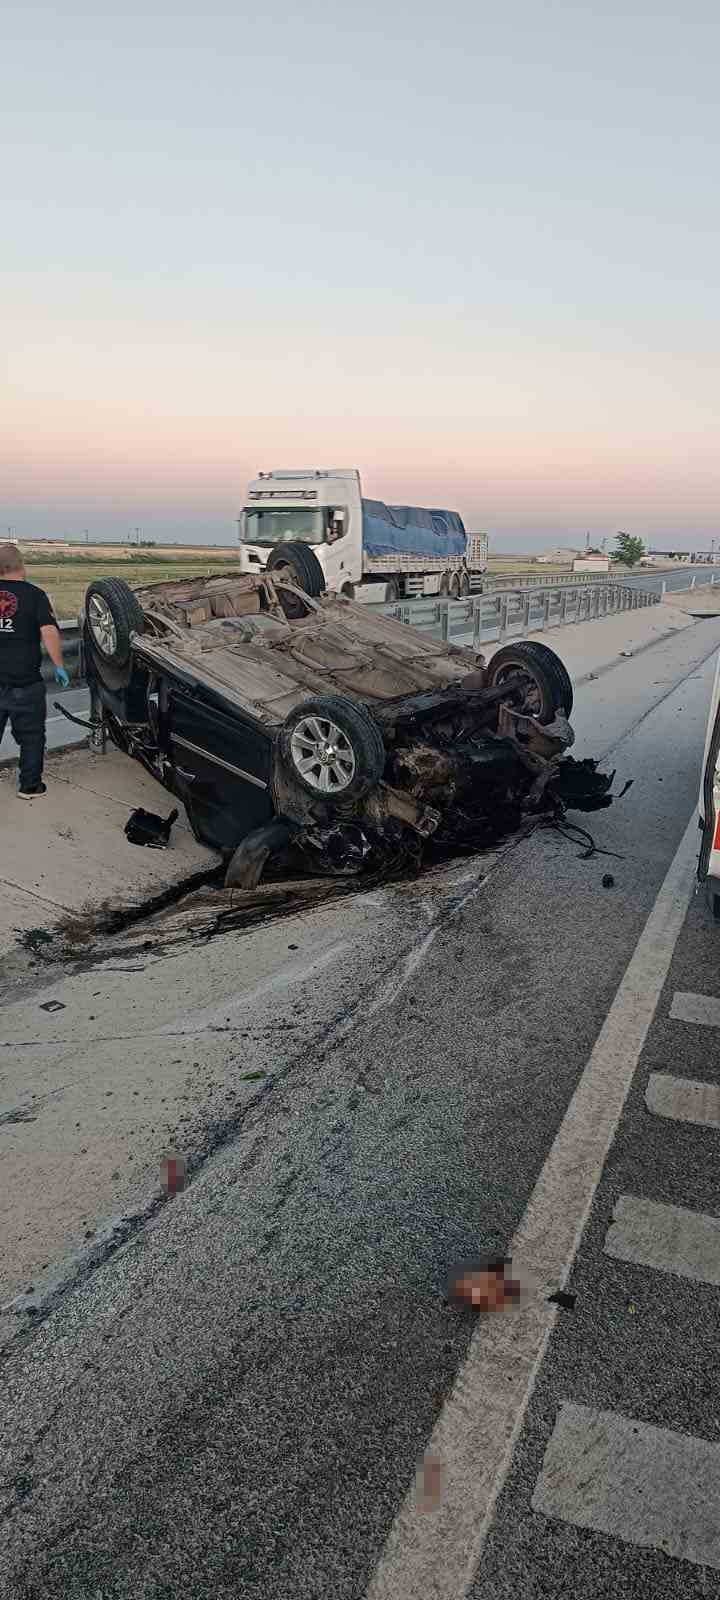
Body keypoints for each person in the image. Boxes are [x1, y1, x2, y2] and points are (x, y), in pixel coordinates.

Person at [0, 543, 69, 798]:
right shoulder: (35, 595)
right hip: (25, 683)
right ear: (21, 566)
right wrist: (59, 665)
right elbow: (49, 631)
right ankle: (30, 786)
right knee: (32, 737)